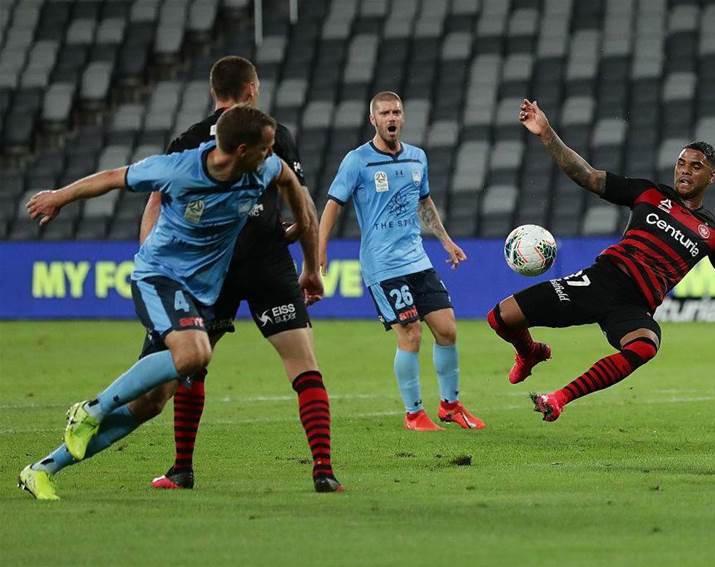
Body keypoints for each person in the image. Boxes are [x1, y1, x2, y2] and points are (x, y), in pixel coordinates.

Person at [19, 105, 324, 499]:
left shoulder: (264, 167)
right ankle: (90, 410)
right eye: (266, 148)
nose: (273, 153)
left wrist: (302, 225)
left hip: (202, 294)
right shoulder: (179, 169)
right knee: (196, 354)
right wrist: (59, 197)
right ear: (243, 149)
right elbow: (114, 177)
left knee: (150, 403)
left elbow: (290, 183)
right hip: (160, 277)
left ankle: (42, 469)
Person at [486, 99, 715, 423]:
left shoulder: (714, 234)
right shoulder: (648, 194)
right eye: (681, 163)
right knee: (500, 318)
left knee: (646, 344)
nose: (685, 170)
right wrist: (546, 132)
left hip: (635, 305)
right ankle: (529, 352)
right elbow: (586, 175)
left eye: (696, 166)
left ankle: (559, 398)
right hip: (601, 281)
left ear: (711, 177)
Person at [128, 55, 340, 493]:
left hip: (208, 267)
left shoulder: (188, 139)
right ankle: (323, 470)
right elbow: (302, 204)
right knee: (303, 367)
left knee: (192, 365)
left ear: (213, 91)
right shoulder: (272, 134)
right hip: (267, 260)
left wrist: (159, 268)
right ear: (251, 90)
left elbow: (153, 207)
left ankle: (181, 469)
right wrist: (312, 268)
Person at [318, 91, 485, 431]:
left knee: (448, 329)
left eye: (396, 112)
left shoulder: (417, 158)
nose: (391, 118)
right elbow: (334, 204)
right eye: (384, 113)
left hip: (417, 259)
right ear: (373, 120)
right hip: (383, 265)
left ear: (403, 117)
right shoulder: (357, 161)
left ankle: (450, 405)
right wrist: (318, 249)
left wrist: (446, 240)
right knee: (410, 333)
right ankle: (413, 414)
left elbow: (424, 202)